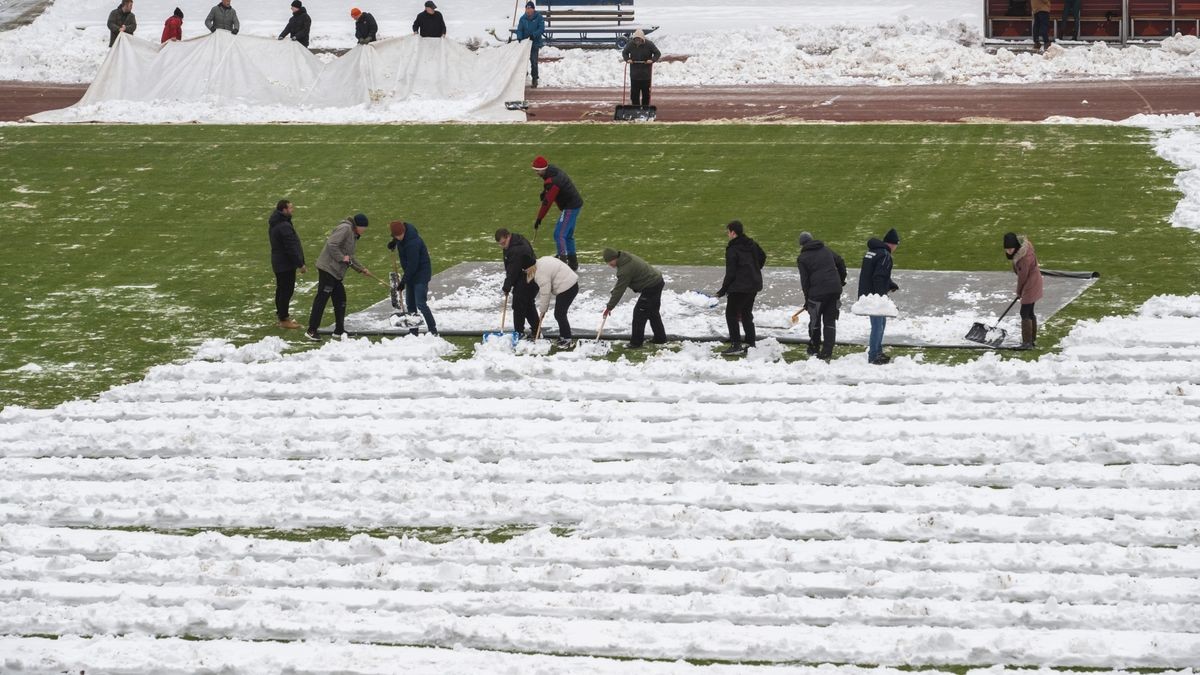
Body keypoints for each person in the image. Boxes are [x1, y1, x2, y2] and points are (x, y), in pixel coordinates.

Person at [305, 214, 370, 342]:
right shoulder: (345, 228)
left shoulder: (353, 234)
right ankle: (311, 330)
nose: (364, 231)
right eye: (364, 228)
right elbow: (332, 244)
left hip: (336, 273)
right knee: (322, 299)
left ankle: (339, 330)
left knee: (341, 300)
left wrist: (361, 269)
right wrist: (341, 257)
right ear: (358, 225)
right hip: (328, 269)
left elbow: (350, 256)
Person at [714, 220, 766, 356]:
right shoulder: (751, 244)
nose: (727, 235)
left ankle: (736, 344)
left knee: (731, 315)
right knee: (746, 313)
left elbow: (730, 273)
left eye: (728, 232)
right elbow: (763, 256)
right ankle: (751, 343)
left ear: (733, 232)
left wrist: (722, 290)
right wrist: (754, 269)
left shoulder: (732, 249)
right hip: (753, 285)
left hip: (739, 288)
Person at [795, 231, 847, 361]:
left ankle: (814, 348)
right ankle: (827, 352)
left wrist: (807, 299)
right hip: (834, 290)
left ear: (802, 245)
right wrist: (840, 280)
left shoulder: (802, 258)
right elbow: (840, 262)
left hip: (817, 294)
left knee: (815, 321)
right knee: (829, 321)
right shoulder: (826, 249)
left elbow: (805, 281)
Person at [602, 248, 666, 349]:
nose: (610, 265)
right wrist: (616, 290)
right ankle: (660, 338)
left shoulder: (624, 269)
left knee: (639, 314)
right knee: (653, 312)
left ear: (614, 258)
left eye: (610, 262)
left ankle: (636, 343)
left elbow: (620, 289)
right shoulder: (625, 258)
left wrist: (609, 307)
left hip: (651, 286)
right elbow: (621, 284)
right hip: (657, 281)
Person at [531, 155, 584, 271]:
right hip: (575, 204)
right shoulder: (552, 171)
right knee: (568, 235)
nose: (536, 173)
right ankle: (572, 262)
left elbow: (547, 203)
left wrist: (539, 218)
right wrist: (545, 191)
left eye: (537, 171)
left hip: (570, 207)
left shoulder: (553, 181)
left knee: (559, 234)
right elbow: (550, 190)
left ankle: (562, 262)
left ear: (542, 169)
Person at [857, 228, 900, 365]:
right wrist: (882, 298)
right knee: (878, 326)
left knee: (881, 323)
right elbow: (879, 277)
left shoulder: (872, 252)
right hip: (875, 297)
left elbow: (873, 273)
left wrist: (890, 284)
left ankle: (878, 352)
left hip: (867, 293)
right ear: (892, 244)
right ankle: (874, 355)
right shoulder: (885, 255)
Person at [387, 221, 437, 336]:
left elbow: (413, 265)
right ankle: (413, 331)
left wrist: (403, 281)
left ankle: (433, 330)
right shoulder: (400, 239)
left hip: (421, 274)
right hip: (410, 274)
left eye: (400, 235)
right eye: (396, 236)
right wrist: (394, 242)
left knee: (420, 303)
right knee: (410, 304)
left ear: (404, 231)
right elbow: (400, 240)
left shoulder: (413, 242)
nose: (399, 237)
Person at [268, 200, 307, 329]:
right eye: (290, 208)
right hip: (285, 264)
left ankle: (281, 316)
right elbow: (291, 247)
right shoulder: (284, 226)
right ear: (284, 210)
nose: (292, 209)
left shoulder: (276, 222)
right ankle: (284, 319)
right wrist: (300, 264)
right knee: (286, 291)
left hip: (279, 263)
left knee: (281, 289)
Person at [495, 228, 540, 337]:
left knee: (519, 305)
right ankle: (536, 331)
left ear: (508, 236)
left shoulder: (516, 250)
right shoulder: (514, 241)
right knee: (528, 304)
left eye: (504, 243)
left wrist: (507, 286)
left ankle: (519, 332)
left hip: (528, 277)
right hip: (528, 275)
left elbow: (513, 270)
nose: (503, 246)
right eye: (500, 244)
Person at [527, 255, 579, 348]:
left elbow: (545, 293)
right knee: (560, 313)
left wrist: (542, 311)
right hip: (570, 283)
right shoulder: (540, 261)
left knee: (560, 314)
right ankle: (564, 336)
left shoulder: (540, 274)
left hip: (567, 287)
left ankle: (566, 338)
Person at [1004, 232, 1043, 349]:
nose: (1009, 251)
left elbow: (1022, 278)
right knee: (1030, 312)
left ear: (1016, 247)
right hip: (1034, 281)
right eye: (1007, 249)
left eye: (1011, 249)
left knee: (1024, 313)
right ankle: (1031, 340)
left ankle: (1027, 343)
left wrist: (1019, 291)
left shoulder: (1023, 259)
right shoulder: (1025, 249)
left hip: (1030, 284)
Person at [621, 29, 661, 107]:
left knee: (646, 94)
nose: (637, 41)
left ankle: (645, 108)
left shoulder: (649, 44)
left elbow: (657, 53)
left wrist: (652, 60)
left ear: (643, 39)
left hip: (646, 75)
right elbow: (624, 53)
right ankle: (635, 108)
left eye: (639, 40)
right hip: (634, 75)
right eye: (636, 40)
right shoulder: (630, 44)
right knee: (634, 94)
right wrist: (628, 59)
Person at [514, 2, 545, 88]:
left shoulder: (539, 17)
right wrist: (519, 37)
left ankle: (535, 78)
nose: (528, 10)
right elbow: (519, 29)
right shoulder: (522, 18)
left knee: (533, 61)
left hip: (535, 42)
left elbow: (541, 29)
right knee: (523, 61)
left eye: (530, 8)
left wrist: (534, 35)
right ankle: (523, 75)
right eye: (527, 8)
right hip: (525, 43)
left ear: (533, 9)